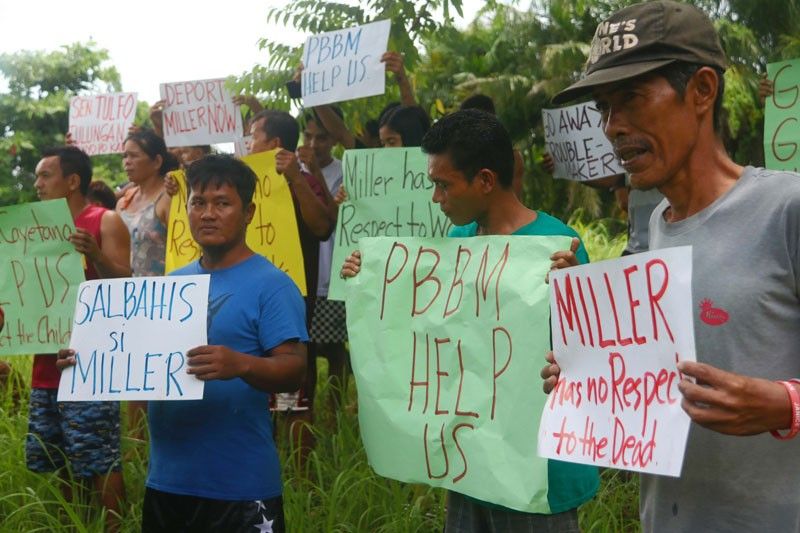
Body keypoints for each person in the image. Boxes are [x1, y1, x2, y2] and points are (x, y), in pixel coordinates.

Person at [541, 1, 800, 530]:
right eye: (605, 109)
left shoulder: (787, 210)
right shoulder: (655, 226)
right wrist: (583, 376)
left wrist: (786, 405)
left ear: (702, 90)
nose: (613, 128)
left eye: (632, 99)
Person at [342, 109, 599, 532]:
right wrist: (368, 279)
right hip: (471, 462)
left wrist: (574, 293)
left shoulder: (559, 248)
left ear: (484, 180)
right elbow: (424, 333)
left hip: (537, 470)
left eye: (444, 185)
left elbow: (593, 357)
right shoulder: (454, 246)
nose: (436, 199)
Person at [58, 155, 306, 532]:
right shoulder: (170, 287)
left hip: (241, 485)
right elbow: (132, 355)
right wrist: (87, 360)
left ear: (249, 212)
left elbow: (295, 369)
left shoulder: (272, 285)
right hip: (168, 482)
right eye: (198, 202)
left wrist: (241, 364)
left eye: (222, 203)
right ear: (185, 209)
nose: (208, 214)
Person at [30, 145, 131, 532]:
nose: (37, 184)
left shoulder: (104, 221)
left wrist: (96, 257)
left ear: (72, 181)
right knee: (57, 458)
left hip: (90, 365)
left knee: (99, 458)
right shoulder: (35, 226)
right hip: (45, 363)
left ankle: (112, 527)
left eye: (45, 175)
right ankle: (72, 526)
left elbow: (127, 285)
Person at [248, 109, 334, 462]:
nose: (247, 142)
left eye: (253, 135)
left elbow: (321, 228)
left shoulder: (299, 179)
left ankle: (302, 484)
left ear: (275, 143)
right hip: (248, 307)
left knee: (292, 399)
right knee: (254, 395)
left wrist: (296, 177)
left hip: (289, 309)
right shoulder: (244, 181)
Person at [117, 129, 177, 437]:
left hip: (162, 299)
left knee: (159, 374)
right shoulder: (123, 200)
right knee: (132, 374)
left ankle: (164, 439)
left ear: (156, 161)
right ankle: (136, 445)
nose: (126, 161)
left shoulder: (169, 196)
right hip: (126, 300)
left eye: (133, 155)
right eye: (124, 155)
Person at [301, 111, 350, 412]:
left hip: (333, 274)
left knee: (333, 349)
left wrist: (313, 173)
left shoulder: (346, 172)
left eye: (321, 137)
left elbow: (331, 219)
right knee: (304, 352)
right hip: (305, 276)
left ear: (334, 139)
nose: (314, 143)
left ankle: (335, 413)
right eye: (308, 136)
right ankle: (306, 413)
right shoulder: (293, 173)